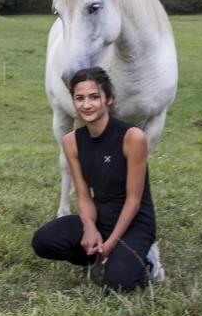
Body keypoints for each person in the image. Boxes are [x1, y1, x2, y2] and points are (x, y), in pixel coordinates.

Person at [32, 66, 164, 291]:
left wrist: (111, 243)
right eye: (79, 98)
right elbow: (84, 196)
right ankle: (92, 260)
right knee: (43, 240)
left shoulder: (132, 137)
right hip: (101, 217)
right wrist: (90, 228)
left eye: (94, 97)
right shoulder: (72, 141)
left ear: (109, 99)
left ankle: (147, 260)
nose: (87, 105)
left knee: (118, 284)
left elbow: (134, 200)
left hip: (135, 222)